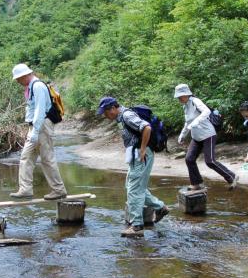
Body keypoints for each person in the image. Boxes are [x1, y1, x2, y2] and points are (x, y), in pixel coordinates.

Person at [98, 96, 169, 237]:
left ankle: (137, 226)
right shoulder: (122, 117)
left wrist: (142, 149)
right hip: (136, 155)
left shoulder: (127, 115)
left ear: (113, 108)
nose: (105, 116)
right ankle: (160, 208)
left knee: (134, 189)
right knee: (133, 187)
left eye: (105, 112)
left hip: (141, 155)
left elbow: (146, 128)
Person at [9, 63, 68, 200]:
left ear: (25, 75)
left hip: (41, 126)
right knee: (26, 158)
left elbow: (40, 110)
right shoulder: (31, 87)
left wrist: (35, 131)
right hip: (36, 127)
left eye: (18, 78)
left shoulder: (38, 86)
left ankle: (58, 190)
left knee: (47, 159)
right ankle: (25, 189)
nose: (18, 81)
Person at [174, 84, 237, 191]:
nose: (179, 99)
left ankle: (231, 177)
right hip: (196, 137)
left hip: (208, 135)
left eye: (180, 96)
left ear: (186, 94)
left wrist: (195, 122)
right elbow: (187, 122)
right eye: (178, 97)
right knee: (189, 159)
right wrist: (182, 135)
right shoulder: (185, 106)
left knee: (210, 161)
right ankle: (196, 183)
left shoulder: (195, 101)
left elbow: (206, 111)